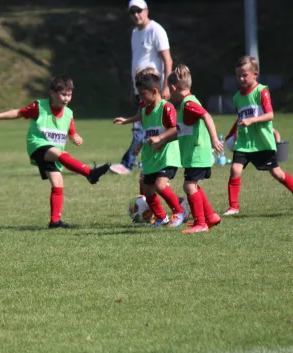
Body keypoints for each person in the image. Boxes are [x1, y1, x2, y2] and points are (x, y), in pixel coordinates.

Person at [0, 75, 111, 228]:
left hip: (54, 152)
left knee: (58, 183)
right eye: (63, 94)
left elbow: (72, 133)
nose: (66, 98)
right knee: (60, 155)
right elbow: (17, 113)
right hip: (37, 145)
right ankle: (90, 173)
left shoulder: (68, 114)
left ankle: (55, 221)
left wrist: (76, 137)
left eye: (69, 95)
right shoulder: (39, 107)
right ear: (52, 93)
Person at [148, 65, 223, 233]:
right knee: (193, 186)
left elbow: (206, 115)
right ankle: (210, 217)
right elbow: (182, 132)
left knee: (189, 187)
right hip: (193, 154)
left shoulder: (189, 104)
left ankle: (200, 223)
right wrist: (162, 142)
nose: (167, 93)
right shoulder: (184, 105)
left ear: (173, 88)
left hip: (197, 153)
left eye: (168, 89)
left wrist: (213, 139)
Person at [113, 69, 185, 227]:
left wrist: (160, 138)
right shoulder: (146, 111)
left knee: (160, 186)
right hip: (151, 157)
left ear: (154, 91)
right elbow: (147, 128)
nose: (140, 98)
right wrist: (139, 143)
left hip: (167, 156)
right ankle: (161, 217)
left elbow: (175, 129)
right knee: (147, 190)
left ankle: (179, 212)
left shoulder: (166, 108)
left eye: (142, 94)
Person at [223, 56, 293, 215]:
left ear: (255, 74)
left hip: (261, 142)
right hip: (244, 142)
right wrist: (231, 134)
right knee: (235, 169)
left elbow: (270, 115)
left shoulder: (262, 91)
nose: (241, 79)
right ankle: (233, 206)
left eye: (244, 75)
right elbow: (240, 118)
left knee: (277, 173)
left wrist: (252, 120)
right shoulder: (237, 97)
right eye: (238, 76)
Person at [110, 0, 173, 176]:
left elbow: (167, 60)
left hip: (154, 88)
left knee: (142, 125)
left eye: (139, 10)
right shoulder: (135, 34)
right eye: (132, 12)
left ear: (146, 10)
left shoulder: (156, 30)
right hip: (141, 88)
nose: (136, 15)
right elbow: (136, 61)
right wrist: (134, 88)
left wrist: (166, 86)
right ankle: (149, 160)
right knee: (147, 125)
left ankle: (128, 164)